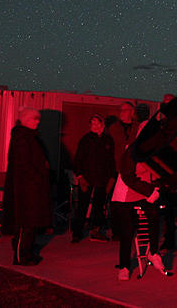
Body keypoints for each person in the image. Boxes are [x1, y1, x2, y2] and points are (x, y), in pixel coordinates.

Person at [110, 103, 167, 281]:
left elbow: (157, 173)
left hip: (142, 192)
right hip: (126, 192)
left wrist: (157, 188)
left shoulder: (153, 151)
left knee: (153, 215)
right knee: (128, 228)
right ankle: (125, 266)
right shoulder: (131, 151)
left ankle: (153, 253)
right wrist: (150, 191)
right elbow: (127, 177)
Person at [2, 107, 53, 266]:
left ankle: (28, 252)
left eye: (38, 118)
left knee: (32, 222)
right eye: (34, 119)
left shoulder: (28, 137)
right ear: (26, 120)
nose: (37, 122)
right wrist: (37, 177)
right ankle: (20, 256)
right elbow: (23, 163)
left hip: (32, 188)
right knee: (26, 222)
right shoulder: (22, 138)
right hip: (27, 189)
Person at [71, 114, 114, 243]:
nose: (96, 127)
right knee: (82, 207)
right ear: (89, 126)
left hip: (102, 180)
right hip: (87, 179)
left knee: (99, 206)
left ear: (103, 125)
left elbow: (111, 161)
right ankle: (77, 233)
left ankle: (96, 231)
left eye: (98, 124)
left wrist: (111, 178)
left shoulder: (108, 141)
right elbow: (77, 160)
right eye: (93, 124)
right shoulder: (85, 140)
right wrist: (80, 176)